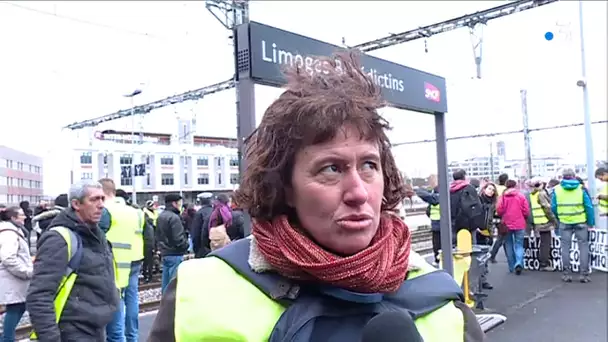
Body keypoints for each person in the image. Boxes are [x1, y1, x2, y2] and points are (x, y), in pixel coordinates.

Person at [148, 52, 484, 342]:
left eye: (369, 165)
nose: (358, 192)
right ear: (285, 187)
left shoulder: (443, 304)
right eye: (331, 169)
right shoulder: (201, 293)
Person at [26, 180, 119, 341]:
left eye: (102, 199)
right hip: (71, 331)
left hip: (95, 329)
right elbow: (39, 295)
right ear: (76, 204)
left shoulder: (96, 235)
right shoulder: (59, 239)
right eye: (94, 199)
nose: (101, 205)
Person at [551, 168, 595, 283]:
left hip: (564, 222)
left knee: (565, 248)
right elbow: (588, 207)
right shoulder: (581, 189)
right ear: (574, 176)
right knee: (583, 247)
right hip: (581, 222)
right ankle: (584, 275)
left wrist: (559, 217)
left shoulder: (557, 190)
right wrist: (591, 222)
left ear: (563, 177)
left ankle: (566, 274)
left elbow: (553, 207)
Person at [0, 207, 33, 342]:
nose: (25, 217)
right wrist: (25, 272)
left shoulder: (14, 231)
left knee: (19, 307)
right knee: (15, 308)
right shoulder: (9, 234)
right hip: (13, 279)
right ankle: (7, 339)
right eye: (21, 215)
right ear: (13, 218)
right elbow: (8, 258)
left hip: (15, 280)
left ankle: (6, 338)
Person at [156, 194, 189, 293]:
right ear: (174, 203)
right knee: (174, 284)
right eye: (179, 203)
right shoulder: (174, 218)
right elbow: (178, 238)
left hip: (165, 252)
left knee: (166, 284)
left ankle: (165, 304)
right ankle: (172, 306)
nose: (180, 205)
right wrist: (185, 245)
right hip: (175, 253)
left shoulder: (161, 216)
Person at [496, 179, 530, 275]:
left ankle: (511, 266)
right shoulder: (521, 196)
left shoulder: (502, 197)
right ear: (515, 186)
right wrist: (523, 217)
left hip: (506, 224)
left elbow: (499, 210)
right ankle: (519, 262)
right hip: (519, 223)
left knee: (509, 245)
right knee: (519, 244)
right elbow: (526, 211)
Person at [527, 178, 558, 271]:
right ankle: (544, 263)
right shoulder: (541, 194)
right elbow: (547, 208)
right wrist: (554, 220)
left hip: (537, 221)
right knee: (546, 243)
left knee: (542, 242)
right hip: (545, 221)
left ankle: (542, 262)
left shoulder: (532, 194)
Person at [450, 169, 485, 243]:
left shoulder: (450, 189)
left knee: (456, 244)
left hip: (454, 222)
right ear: (464, 177)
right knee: (471, 243)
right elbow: (477, 205)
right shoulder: (469, 188)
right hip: (469, 222)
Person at [415, 184, 441, 265]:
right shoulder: (444, 198)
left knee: (436, 244)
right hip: (444, 225)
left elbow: (428, 211)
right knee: (445, 244)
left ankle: (437, 260)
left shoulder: (433, 200)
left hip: (435, 225)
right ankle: (442, 260)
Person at [191, 192, 214, 258]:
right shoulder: (215, 212)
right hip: (215, 246)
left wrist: (196, 250)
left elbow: (196, 233)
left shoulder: (199, 214)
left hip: (202, 249)